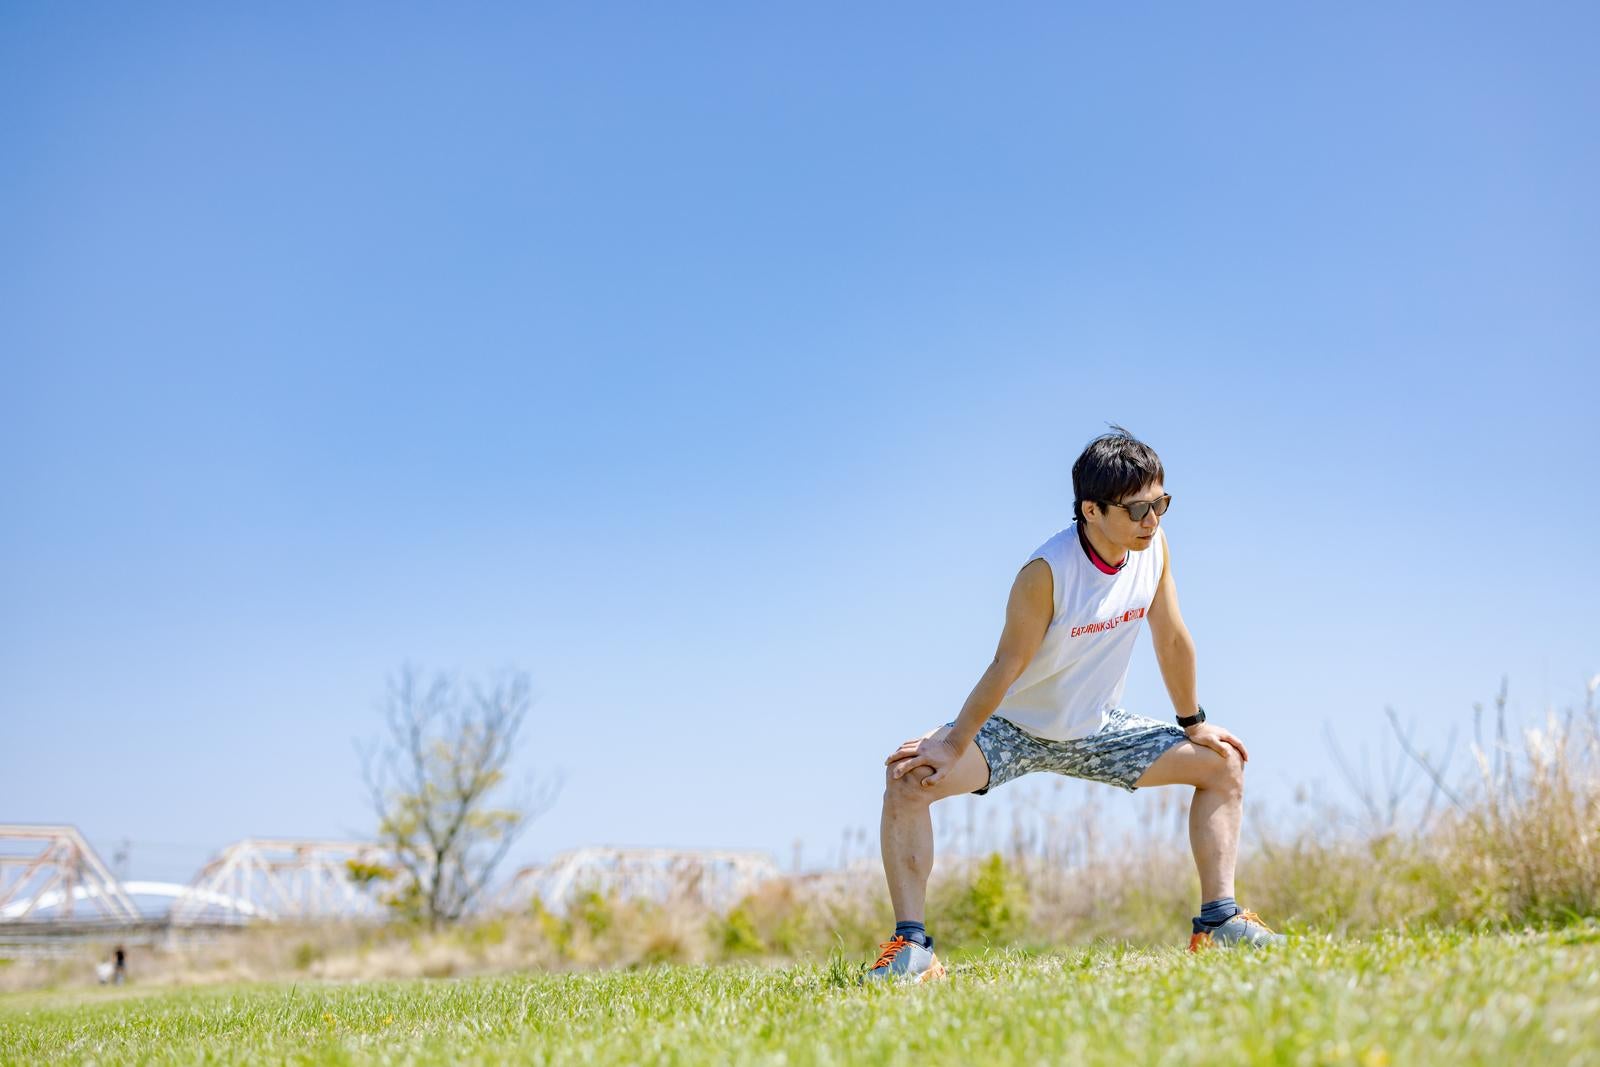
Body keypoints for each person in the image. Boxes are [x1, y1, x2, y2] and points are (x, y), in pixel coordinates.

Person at [868, 426, 1285, 982]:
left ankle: (1218, 925)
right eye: (1138, 509)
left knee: (1223, 764)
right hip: (1014, 729)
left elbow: (1171, 636)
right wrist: (952, 743)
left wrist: (1193, 724)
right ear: (1091, 509)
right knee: (906, 779)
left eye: (1161, 504)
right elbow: (1006, 667)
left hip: (1098, 728)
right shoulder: (1046, 572)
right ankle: (913, 948)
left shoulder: (1154, 550)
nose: (1152, 521)